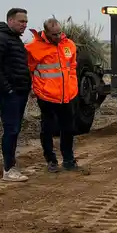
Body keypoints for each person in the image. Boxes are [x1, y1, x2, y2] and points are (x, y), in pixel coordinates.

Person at [26, 17, 81, 173]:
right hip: (46, 96)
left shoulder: (69, 45)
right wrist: (34, 89)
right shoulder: (33, 48)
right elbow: (29, 70)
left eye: (59, 33)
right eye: (54, 34)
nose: (58, 37)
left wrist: (73, 87)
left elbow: (73, 67)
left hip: (67, 95)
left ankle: (69, 160)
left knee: (68, 128)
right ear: (46, 33)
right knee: (48, 129)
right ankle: (51, 160)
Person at [0, 7, 31, 182]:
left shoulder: (15, 40)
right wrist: (8, 90)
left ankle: (12, 166)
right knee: (11, 129)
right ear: (10, 21)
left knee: (15, 129)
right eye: (21, 21)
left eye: (26, 21)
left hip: (19, 92)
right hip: (8, 94)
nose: (24, 24)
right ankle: (9, 170)